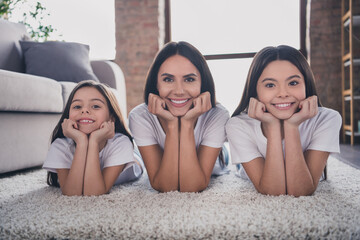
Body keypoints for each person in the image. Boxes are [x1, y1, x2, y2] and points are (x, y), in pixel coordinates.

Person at [226, 45, 342, 197]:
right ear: (255, 91)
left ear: (306, 84)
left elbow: (300, 191)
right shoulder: (238, 125)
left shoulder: (328, 119)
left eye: (293, 83)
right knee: (221, 162)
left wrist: (291, 126)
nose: (283, 93)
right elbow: (273, 191)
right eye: (270, 85)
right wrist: (273, 126)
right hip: (244, 162)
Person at [129, 41, 229, 193]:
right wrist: (172, 125)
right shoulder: (140, 116)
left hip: (219, 157)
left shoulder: (218, 115)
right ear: (156, 83)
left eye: (189, 79)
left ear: (203, 83)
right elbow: (165, 186)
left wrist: (187, 123)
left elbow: (192, 186)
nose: (179, 91)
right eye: (168, 79)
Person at [43, 80, 143, 196]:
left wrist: (94, 141)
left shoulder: (121, 143)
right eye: (77, 106)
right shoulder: (61, 145)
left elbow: (94, 192)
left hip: (134, 155)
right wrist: (82, 142)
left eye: (95, 106)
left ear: (111, 117)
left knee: (135, 148)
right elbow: (71, 193)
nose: (84, 110)